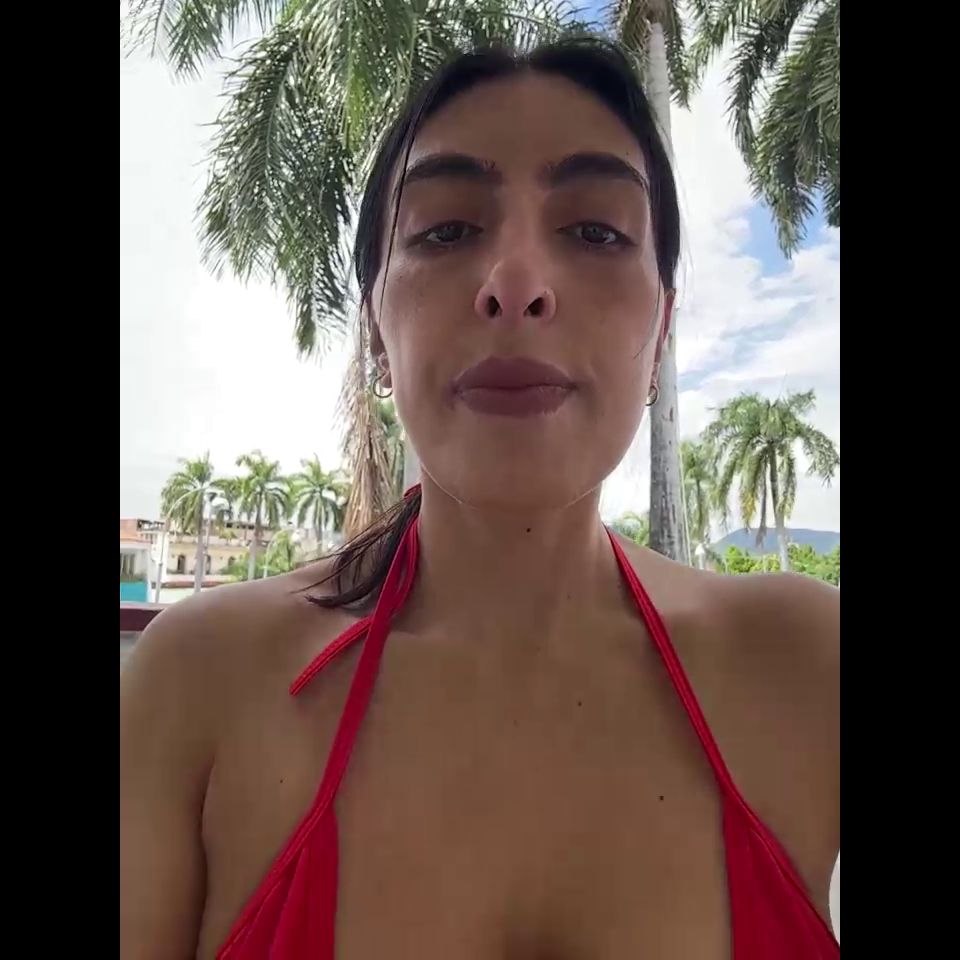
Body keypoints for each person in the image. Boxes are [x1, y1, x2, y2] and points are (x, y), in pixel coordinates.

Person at [120, 37, 839, 960]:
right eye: (448, 230)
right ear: (377, 331)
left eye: (596, 231)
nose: (516, 286)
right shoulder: (202, 684)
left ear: (662, 329)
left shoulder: (807, 671)